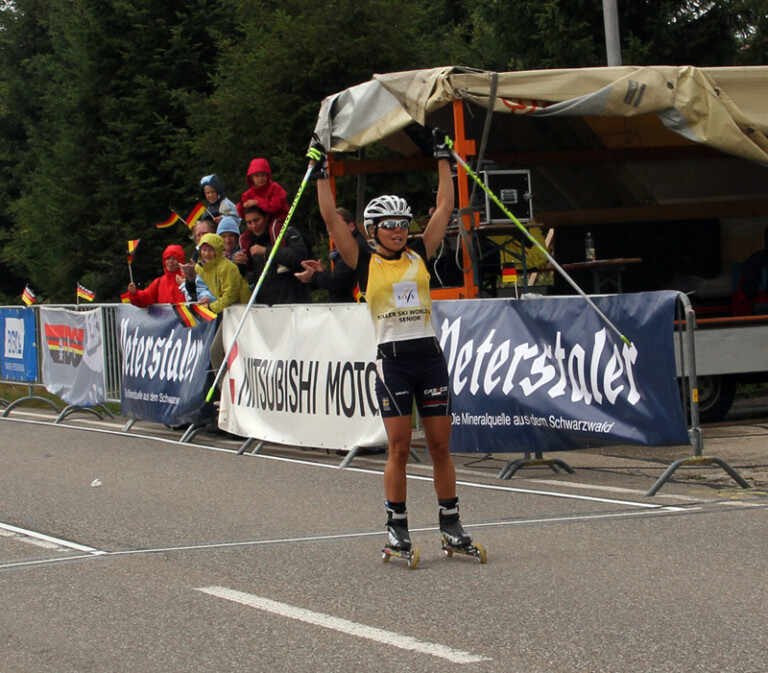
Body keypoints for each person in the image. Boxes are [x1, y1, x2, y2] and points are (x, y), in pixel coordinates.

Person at [308, 130, 478, 559]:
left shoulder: (420, 253)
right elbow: (331, 219)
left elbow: (445, 206)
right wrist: (321, 170)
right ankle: (397, 528)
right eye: (390, 226)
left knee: (440, 446)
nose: (399, 231)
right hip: (394, 363)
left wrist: (443, 157)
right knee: (400, 447)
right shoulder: (363, 260)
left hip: (429, 358)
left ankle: (451, 524)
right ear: (373, 230)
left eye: (403, 224)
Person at [239, 205, 310, 305]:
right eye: (249, 222)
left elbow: (299, 257)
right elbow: (248, 276)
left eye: (256, 220)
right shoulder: (249, 243)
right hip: (265, 306)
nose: (253, 226)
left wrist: (266, 251)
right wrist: (240, 264)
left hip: (293, 303)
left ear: (266, 217)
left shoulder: (286, 233)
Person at [295, 207, 369, 302]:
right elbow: (344, 279)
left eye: (336, 226)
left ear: (351, 226)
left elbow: (338, 283)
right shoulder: (351, 245)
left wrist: (314, 275)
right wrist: (322, 272)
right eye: (329, 229)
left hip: (353, 307)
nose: (332, 232)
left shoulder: (354, 248)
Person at [194, 233, 251, 314]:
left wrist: (211, 307)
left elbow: (230, 295)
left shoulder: (227, 267)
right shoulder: (200, 268)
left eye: (210, 250)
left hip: (242, 306)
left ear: (218, 251)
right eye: (204, 250)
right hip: (223, 306)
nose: (206, 254)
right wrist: (209, 298)